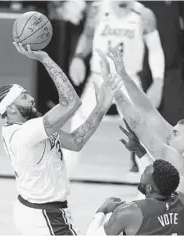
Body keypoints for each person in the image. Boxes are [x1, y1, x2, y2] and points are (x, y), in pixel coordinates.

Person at [0, 42, 120, 235]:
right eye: (24, 97)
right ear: (11, 108)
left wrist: (101, 108)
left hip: (41, 211)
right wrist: (44, 58)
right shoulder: (24, 134)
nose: (32, 99)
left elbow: (76, 141)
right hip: (43, 216)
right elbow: (71, 102)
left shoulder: (32, 125)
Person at [97, 47, 184, 235]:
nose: (169, 135)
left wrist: (114, 92)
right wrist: (123, 75)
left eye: (176, 134)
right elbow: (149, 112)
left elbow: (139, 125)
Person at [68, 0, 165, 177]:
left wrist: (158, 81)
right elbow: (88, 36)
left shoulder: (145, 14)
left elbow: (156, 50)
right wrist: (78, 57)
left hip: (128, 81)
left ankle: (151, 188)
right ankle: (61, 183)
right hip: (99, 78)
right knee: (78, 127)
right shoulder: (97, 9)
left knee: (142, 131)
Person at [86, 159, 184, 235]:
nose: (141, 176)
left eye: (144, 173)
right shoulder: (182, 201)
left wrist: (102, 210)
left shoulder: (129, 212)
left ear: (149, 188)